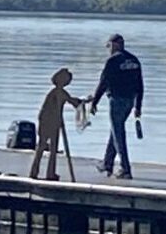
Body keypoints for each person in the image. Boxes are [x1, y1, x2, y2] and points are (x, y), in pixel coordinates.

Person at [86, 33, 144, 179]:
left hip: (117, 100)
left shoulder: (112, 61)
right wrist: (138, 107)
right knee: (115, 131)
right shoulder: (134, 60)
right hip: (130, 101)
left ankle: (125, 169)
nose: (109, 50)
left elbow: (103, 83)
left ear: (114, 45)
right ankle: (107, 163)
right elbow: (140, 85)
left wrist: (94, 102)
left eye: (109, 46)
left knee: (118, 134)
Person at [30, 66, 82, 181]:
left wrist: (83, 102)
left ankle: (48, 173)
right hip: (49, 121)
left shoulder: (60, 92)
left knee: (50, 147)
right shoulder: (57, 92)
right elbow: (71, 101)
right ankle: (37, 172)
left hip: (53, 121)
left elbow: (72, 101)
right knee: (44, 146)